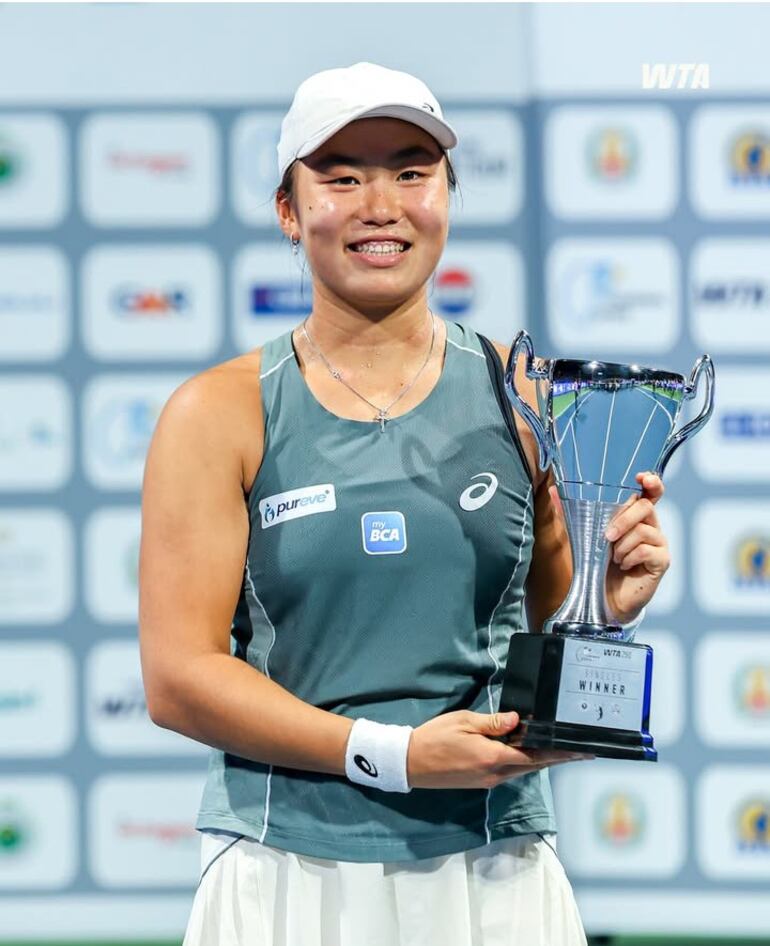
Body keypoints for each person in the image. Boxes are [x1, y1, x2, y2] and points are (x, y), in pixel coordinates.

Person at [138, 62, 671, 946]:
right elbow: (179, 680)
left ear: (448, 196)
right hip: (286, 868)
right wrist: (396, 756)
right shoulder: (218, 412)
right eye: (342, 177)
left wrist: (606, 605)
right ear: (288, 209)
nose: (380, 205)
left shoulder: (527, 396)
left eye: (411, 171)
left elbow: (546, 624)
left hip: (491, 864)